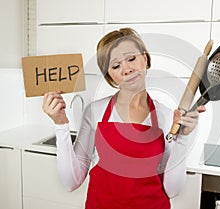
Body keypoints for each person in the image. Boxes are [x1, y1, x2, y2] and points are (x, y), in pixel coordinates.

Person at [42, 28, 206, 209]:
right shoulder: (95, 111)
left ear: (145, 59)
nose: (126, 69)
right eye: (115, 65)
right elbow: (71, 182)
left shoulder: (166, 116)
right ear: (109, 76)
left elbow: (172, 190)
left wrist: (183, 138)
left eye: (131, 59)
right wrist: (60, 124)